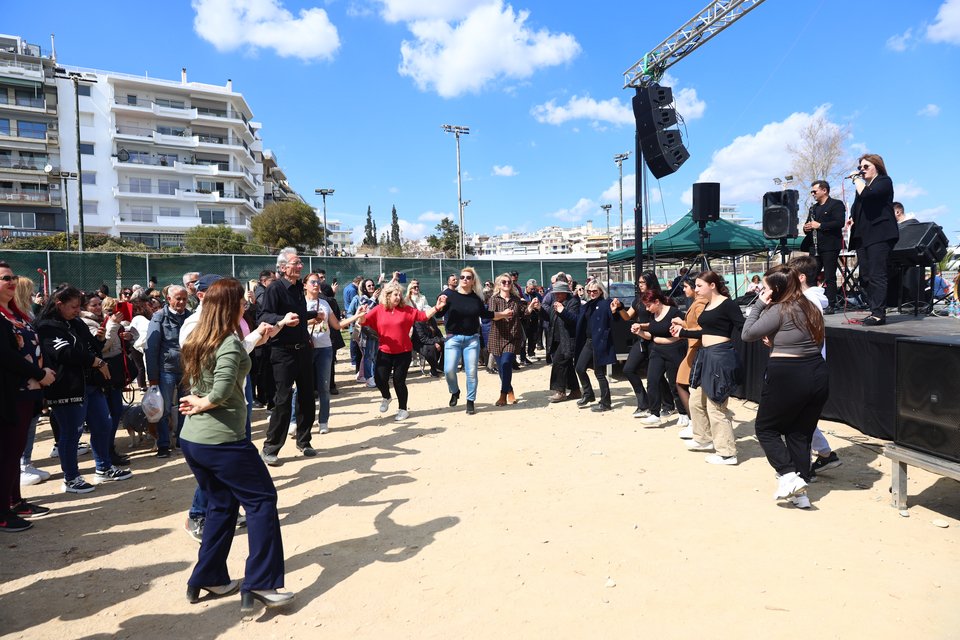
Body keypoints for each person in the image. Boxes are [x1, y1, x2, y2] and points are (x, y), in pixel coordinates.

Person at [177, 278, 294, 612]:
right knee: (262, 501)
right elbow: (225, 387)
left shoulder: (200, 335)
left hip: (195, 440)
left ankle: (208, 576)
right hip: (222, 441)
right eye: (242, 300)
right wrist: (206, 401)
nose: (247, 303)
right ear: (231, 306)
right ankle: (262, 582)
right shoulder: (226, 341)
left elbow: (229, 361)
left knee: (221, 505)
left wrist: (258, 335)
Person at [742, 265, 829, 508]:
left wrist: (759, 304)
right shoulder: (811, 306)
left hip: (789, 374)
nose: (762, 290)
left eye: (766, 288)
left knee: (766, 428)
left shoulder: (781, 308)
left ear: (776, 289)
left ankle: (789, 475)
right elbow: (808, 340)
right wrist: (776, 343)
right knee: (799, 433)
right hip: (817, 372)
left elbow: (747, 334)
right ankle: (800, 494)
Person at [37, 286, 132, 493]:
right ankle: (71, 478)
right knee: (71, 433)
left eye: (79, 307)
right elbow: (65, 353)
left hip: (90, 384)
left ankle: (104, 467)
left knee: (103, 424)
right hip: (66, 387)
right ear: (59, 304)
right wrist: (95, 361)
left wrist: (98, 340)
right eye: (73, 307)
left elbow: (92, 347)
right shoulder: (46, 326)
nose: (76, 310)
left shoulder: (77, 322)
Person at [0, 262, 56, 531]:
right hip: (12, 392)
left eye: (13, 277)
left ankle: (15, 501)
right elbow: (6, 357)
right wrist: (38, 372)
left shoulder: (15, 313)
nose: (11, 282)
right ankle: (3, 512)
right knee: (9, 453)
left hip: (29, 391)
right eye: (4, 279)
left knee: (17, 449)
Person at [670, 271, 744, 465]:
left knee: (716, 405)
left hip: (720, 356)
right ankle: (703, 438)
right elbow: (707, 331)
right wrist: (683, 332)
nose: (696, 289)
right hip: (706, 355)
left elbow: (743, 327)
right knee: (695, 399)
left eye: (700, 285)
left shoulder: (728, 304)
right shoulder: (709, 305)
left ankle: (727, 452)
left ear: (712, 285)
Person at [258, 248, 319, 464]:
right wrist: (282, 318)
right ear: (283, 267)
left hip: (303, 350)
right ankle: (270, 447)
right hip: (282, 352)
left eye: (301, 263)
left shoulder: (296, 289)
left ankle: (304, 441)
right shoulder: (274, 288)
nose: (300, 267)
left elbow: (298, 315)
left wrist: (312, 315)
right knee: (283, 401)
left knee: (307, 398)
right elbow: (263, 316)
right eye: (296, 263)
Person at [789, 255, 843, 476]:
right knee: (799, 415)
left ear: (801, 277)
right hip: (805, 365)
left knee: (797, 418)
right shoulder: (808, 300)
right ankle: (824, 454)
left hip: (804, 365)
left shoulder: (808, 302)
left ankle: (802, 467)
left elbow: (804, 336)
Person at [359, 282, 445, 421]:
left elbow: (423, 316)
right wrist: (361, 314)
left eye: (400, 294)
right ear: (387, 296)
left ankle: (403, 409)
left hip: (403, 351)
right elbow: (364, 322)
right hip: (385, 350)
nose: (398, 297)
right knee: (380, 379)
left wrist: (437, 307)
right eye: (395, 294)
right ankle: (386, 397)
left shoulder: (407, 310)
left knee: (399, 381)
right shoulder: (379, 309)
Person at [435, 267, 513, 415]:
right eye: (462, 277)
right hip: (453, 338)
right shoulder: (449, 295)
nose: (464, 279)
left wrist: (503, 314)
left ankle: (470, 401)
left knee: (471, 372)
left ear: (473, 281)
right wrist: (439, 306)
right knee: (448, 370)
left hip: (472, 340)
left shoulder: (476, 299)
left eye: (468, 278)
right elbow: (439, 313)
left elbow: (487, 314)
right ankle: (455, 391)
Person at [305, 273, 365, 432]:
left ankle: (323, 421)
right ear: (305, 285)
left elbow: (337, 325)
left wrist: (357, 316)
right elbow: (295, 324)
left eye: (318, 282)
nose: (316, 284)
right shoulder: (299, 303)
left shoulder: (325, 303)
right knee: (302, 387)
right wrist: (312, 320)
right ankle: (296, 421)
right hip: (305, 349)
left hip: (325, 348)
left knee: (324, 387)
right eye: (313, 282)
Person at [613, 272, 675, 417]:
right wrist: (620, 307)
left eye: (642, 282)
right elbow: (628, 316)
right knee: (628, 369)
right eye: (638, 282)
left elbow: (660, 322)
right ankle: (644, 403)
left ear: (650, 282)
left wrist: (642, 326)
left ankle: (668, 404)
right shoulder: (638, 300)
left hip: (655, 339)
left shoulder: (661, 299)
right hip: (640, 339)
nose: (639, 285)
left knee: (656, 375)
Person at [846, 153, 898, 326]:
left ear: (877, 166)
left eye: (866, 166)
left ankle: (878, 314)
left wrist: (856, 179)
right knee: (865, 276)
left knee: (877, 274)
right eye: (860, 167)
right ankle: (874, 309)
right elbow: (858, 206)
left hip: (880, 234)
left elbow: (869, 196)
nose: (861, 170)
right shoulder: (862, 187)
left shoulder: (884, 181)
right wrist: (853, 218)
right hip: (863, 235)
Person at [145, 285, 191, 458]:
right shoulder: (159, 317)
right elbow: (151, 348)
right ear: (169, 299)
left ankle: (182, 441)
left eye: (184, 299)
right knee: (162, 409)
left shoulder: (190, 317)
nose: (181, 302)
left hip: (186, 370)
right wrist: (153, 378)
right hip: (166, 371)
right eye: (178, 298)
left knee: (185, 407)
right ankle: (163, 444)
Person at [631, 290, 687, 426]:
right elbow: (651, 335)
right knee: (652, 380)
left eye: (648, 305)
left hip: (673, 351)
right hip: (657, 351)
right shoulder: (653, 315)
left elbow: (685, 331)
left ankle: (684, 413)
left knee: (675, 384)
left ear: (657, 302)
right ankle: (655, 413)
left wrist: (678, 331)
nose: (647, 308)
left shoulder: (674, 313)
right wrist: (640, 332)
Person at [801, 180, 846, 313]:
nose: (813, 194)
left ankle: (831, 304)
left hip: (830, 245)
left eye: (815, 191)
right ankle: (813, 302)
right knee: (811, 275)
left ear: (824, 190)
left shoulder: (836, 204)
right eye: (812, 192)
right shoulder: (813, 208)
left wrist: (820, 225)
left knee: (829, 275)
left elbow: (839, 223)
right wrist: (806, 227)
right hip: (814, 246)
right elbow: (809, 224)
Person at [487, 273, 531, 407]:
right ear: (499, 284)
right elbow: (491, 316)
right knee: (501, 368)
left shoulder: (516, 299)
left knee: (506, 364)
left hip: (512, 337)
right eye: (504, 282)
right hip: (496, 337)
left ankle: (502, 395)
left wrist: (531, 307)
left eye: (509, 282)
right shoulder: (493, 299)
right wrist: (503, 315)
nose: (507, 284)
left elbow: (524, 313)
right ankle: (510, 389)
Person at [573, 281, 616, 412]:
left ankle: (605, 402)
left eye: (595, 291)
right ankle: (588, 394)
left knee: (599, 373)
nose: (591, 293)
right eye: (589, 291)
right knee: (579, 368)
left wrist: (615, 310)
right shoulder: (588, 305)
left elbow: (615, 317)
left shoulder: (606, 303)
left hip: (600, 342)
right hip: (589, 341)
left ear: (601, 291)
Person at [675, 277, 707, 439]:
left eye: (686, 286)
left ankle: (696, 423)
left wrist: (684, 327)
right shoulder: (696, 302)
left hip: (697, 347)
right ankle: (695, 423)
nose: (684, 290)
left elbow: (703, 327)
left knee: (683, 383)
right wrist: (683, 324)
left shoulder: (699, 303)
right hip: (693, 347)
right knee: (684, 384)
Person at [541, 280, 579, 402]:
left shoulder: (573, 302)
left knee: (558, 363)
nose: (556, 295)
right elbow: (549, 317)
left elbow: (574, 320)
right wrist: (539, 309)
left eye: (559, 293)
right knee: (566, 365)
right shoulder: (557, 302)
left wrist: (563, 311)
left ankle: (560, 391)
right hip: (557, 339)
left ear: (565, 293)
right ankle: (575, 390)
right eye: (555, 293)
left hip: (568, 339)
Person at [347, 278, 379, 386]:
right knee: (368, 355)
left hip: (376, 331)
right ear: (364, 288)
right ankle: (368, 378)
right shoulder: (362, 299)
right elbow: (367, 310)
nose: (371, 287)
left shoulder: (377, 299)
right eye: (369, 286)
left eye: (372, 285)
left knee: (375, 355)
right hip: (366, 332)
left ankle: (373, 376)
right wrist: (374, 298)